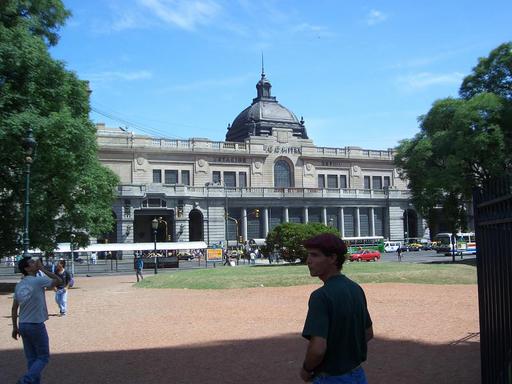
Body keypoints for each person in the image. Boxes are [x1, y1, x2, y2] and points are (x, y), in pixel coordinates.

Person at [300, 233, 373, 383]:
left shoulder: (321, 296)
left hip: (331, 378)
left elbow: (318, 348)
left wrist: (306, 369)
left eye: (314, 255)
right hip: (358, 374)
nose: (308, 261)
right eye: (308, 255)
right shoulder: (355, 288)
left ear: (333, 258)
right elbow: (368, 333)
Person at [11, 258, 63, 384]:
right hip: (36, 324)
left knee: (31, 358)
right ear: (27, 269)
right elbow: (59, 280)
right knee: (43, 357)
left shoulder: (19, 284)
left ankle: (32, 382)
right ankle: (26, 380)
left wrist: (14, 327)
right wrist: (43, 269)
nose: (35, 263)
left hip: (23, 324)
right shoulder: (38, 281)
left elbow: (14, 308)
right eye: (32, 263)